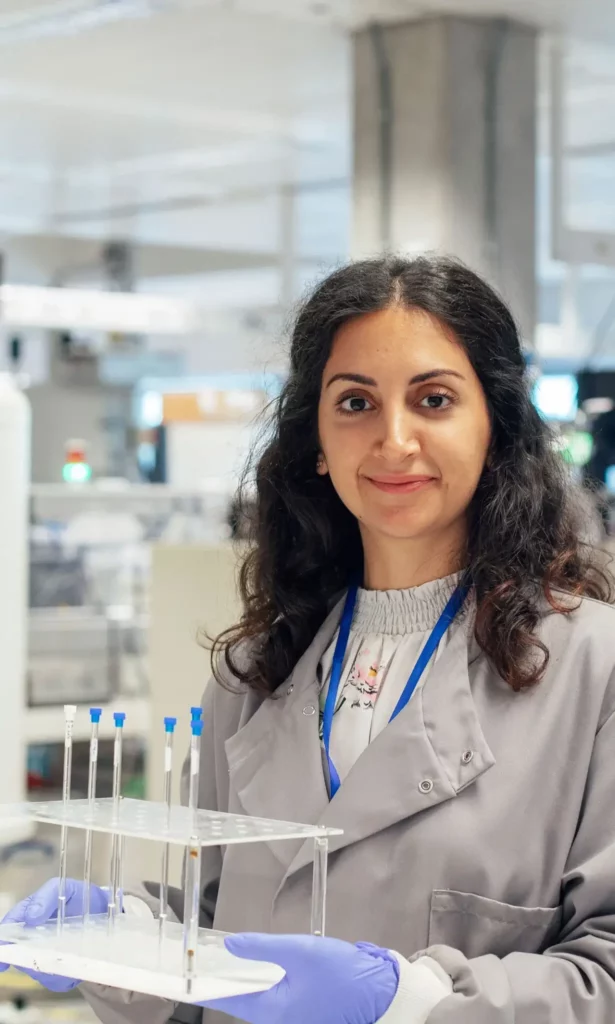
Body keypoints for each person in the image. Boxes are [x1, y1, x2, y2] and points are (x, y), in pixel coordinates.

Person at [4, 255, 615, 1024]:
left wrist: (411, 1002)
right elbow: (212, 940)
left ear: (494, 429)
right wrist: (122, 942)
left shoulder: (594, 671)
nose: (393, 440)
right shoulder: (255, 674)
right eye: (355, 402)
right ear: (317, 444)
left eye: (432, 400)